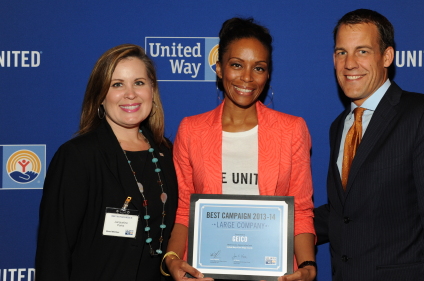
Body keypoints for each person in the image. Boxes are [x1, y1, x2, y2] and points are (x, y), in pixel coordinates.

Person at [314, 9, 424, 280]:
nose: (349, 63)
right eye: (342, 52)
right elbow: (346, 213)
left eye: (362, 51)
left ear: (386, 56)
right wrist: (275, 221)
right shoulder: (339, 126)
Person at [163, 18, 316, 281]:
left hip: (274, 275)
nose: (247, 78)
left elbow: (300, 210)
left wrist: (308, 267)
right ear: (220, 69)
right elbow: (185, 211)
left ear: (268, 75)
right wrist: (172, 260)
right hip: (206, 274)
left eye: (258, 68)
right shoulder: (191, 130)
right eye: (236, 65)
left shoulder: (292, 130)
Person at [35, 44, 178, 280]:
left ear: (152, 89)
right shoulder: (77, 157)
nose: (130, 93)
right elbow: (54, 252)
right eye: (117, 84)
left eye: (139, 82)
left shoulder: (166, 154)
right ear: (100, 95)